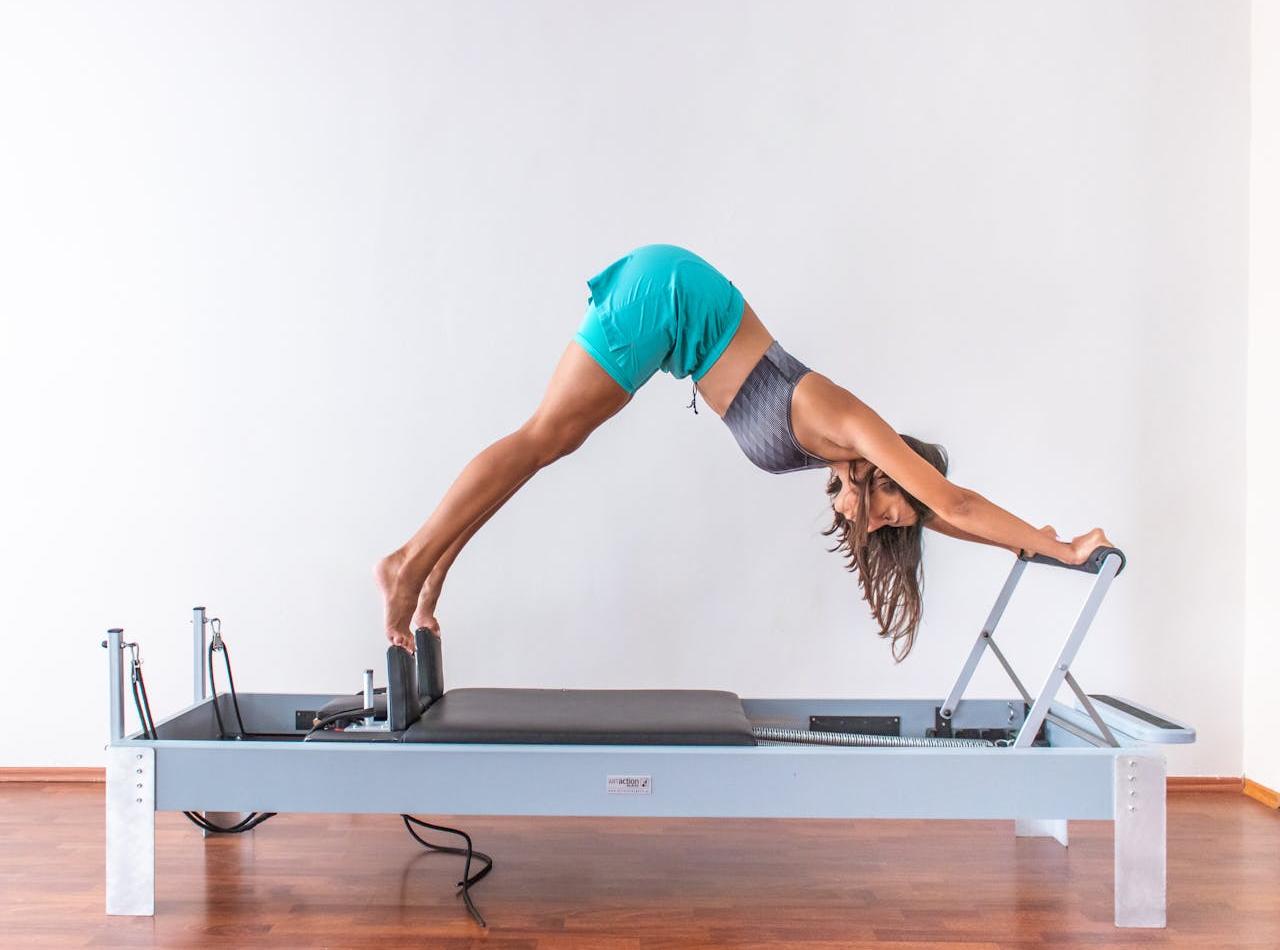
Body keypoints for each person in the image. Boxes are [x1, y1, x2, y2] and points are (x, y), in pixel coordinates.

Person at [375, 245, 1111, 660]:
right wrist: (1073, 547)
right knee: (546, 438)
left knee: (548, 445)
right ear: (891, 474)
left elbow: (943, 517)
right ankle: (407, 565)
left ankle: (431, 571)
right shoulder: (846, 422)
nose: (887, 524)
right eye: (895, 510)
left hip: (671, 308)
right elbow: (953, 502)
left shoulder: (836, 453)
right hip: (667, 299)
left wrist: (1033, 543)